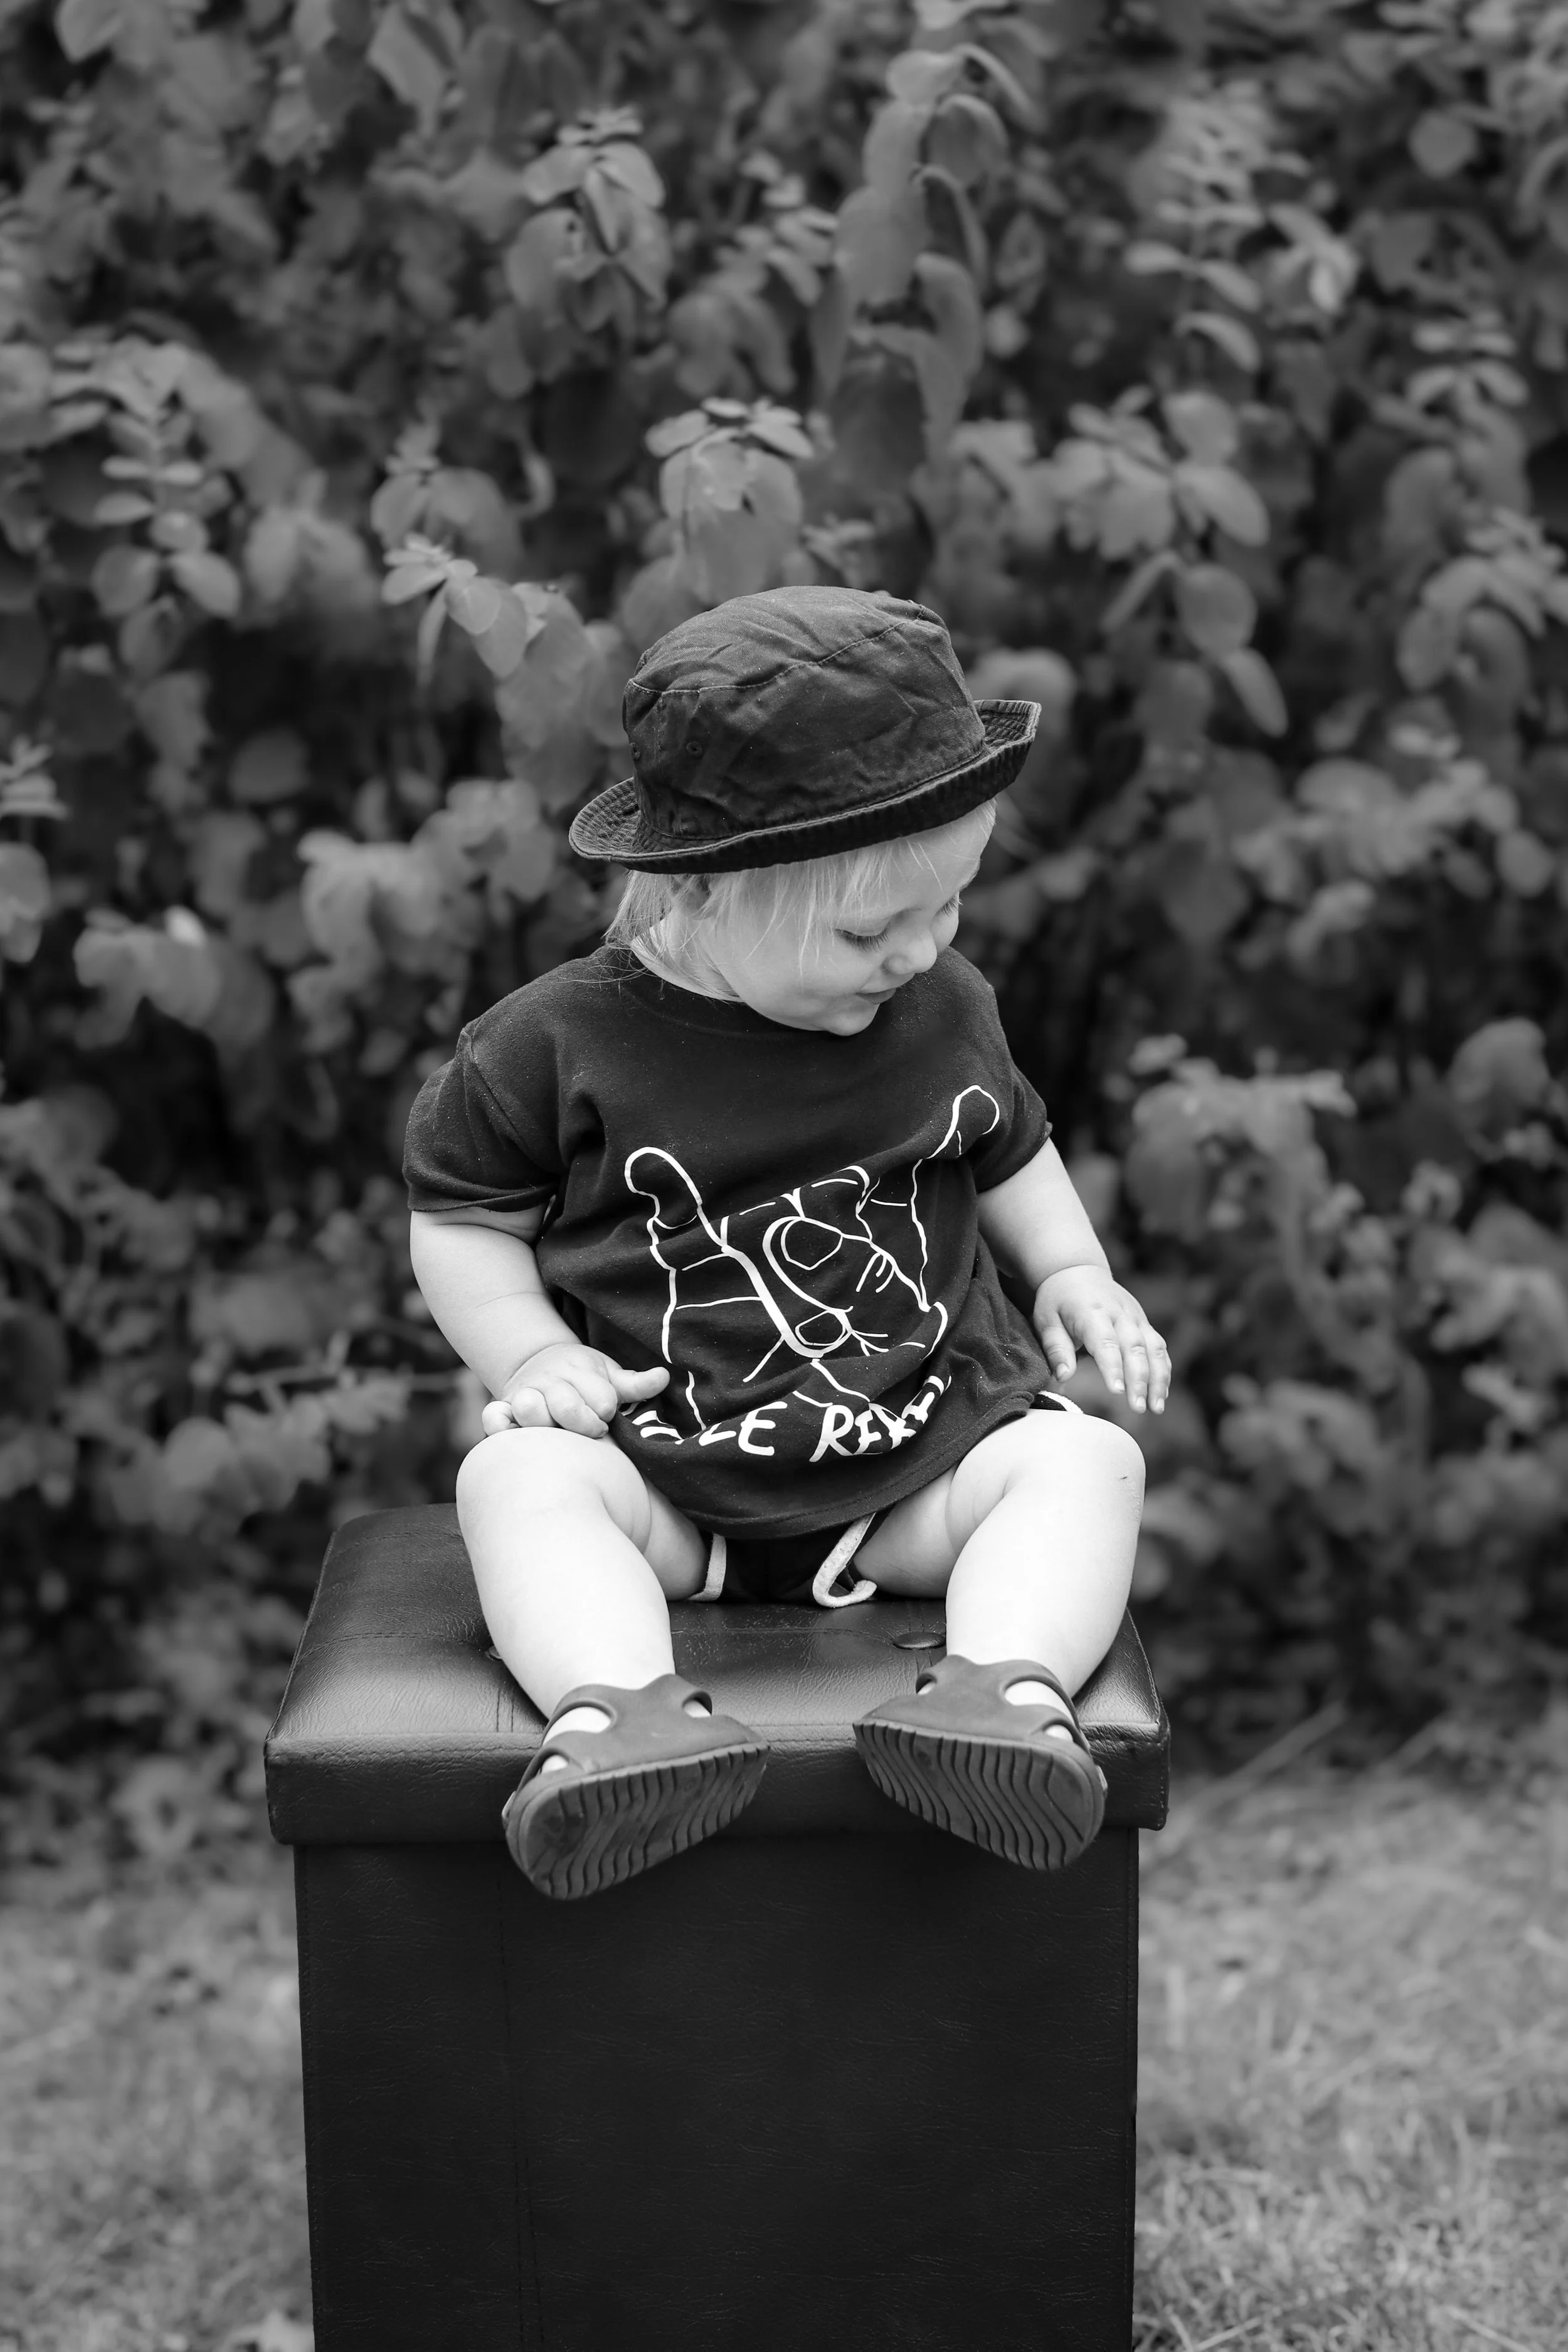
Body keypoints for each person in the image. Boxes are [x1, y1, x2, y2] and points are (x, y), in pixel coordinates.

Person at [403, 585, 1168, 1902]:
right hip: (663, 1477)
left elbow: (1009, 1147)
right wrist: (530, 1357)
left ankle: (998, 1700)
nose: (918, 953)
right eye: (871, 930)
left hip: (912, 1470)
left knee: (1084, 1460)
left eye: (948, 907)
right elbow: (463, 1219)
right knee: (515, 1478)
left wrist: (1074, 1272)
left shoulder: (942, 1005)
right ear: (701, 890)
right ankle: (621, 1720)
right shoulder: (553, 1045)